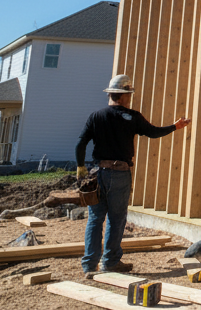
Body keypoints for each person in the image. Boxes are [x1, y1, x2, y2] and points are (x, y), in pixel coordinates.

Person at [75, 74, 190, 277]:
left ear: (111, 94)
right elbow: (154, 132)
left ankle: (89, 265)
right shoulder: (132, 117)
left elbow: (80, 143)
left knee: (95, 219)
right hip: (120, 174)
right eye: (129, 95)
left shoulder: (96, 116)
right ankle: (110, 263)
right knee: (116, 219)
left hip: (98, 174)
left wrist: (81, 167)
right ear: (126, 96)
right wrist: (175, 126)